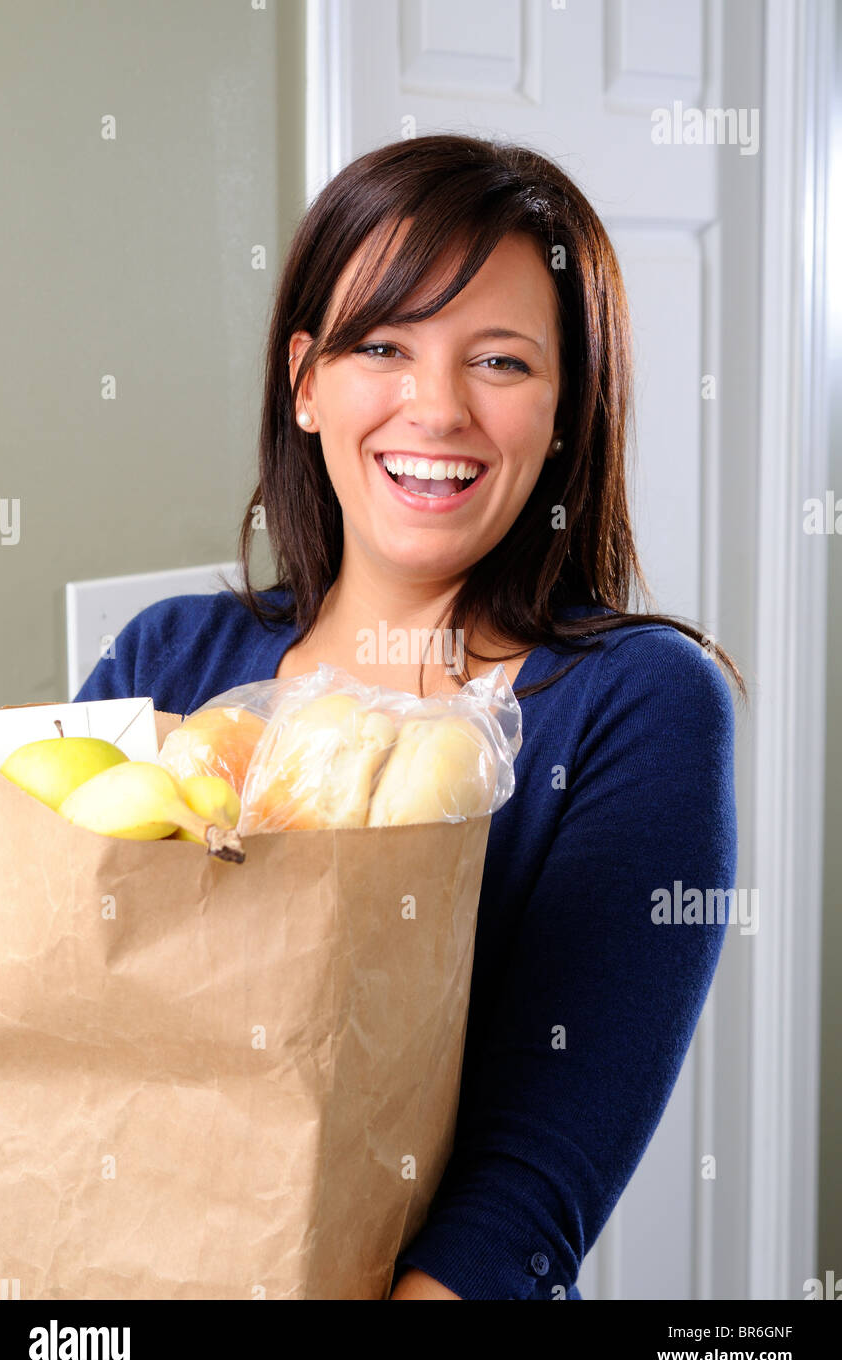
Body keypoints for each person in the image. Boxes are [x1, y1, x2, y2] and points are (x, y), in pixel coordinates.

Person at [75, 133, 745, 1301]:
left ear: (566, 405)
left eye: (498, 361)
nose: (433, 409)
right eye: (381, 345)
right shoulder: (167, 658)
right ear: (305, 381)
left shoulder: (634, 704)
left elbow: (531, 1186)